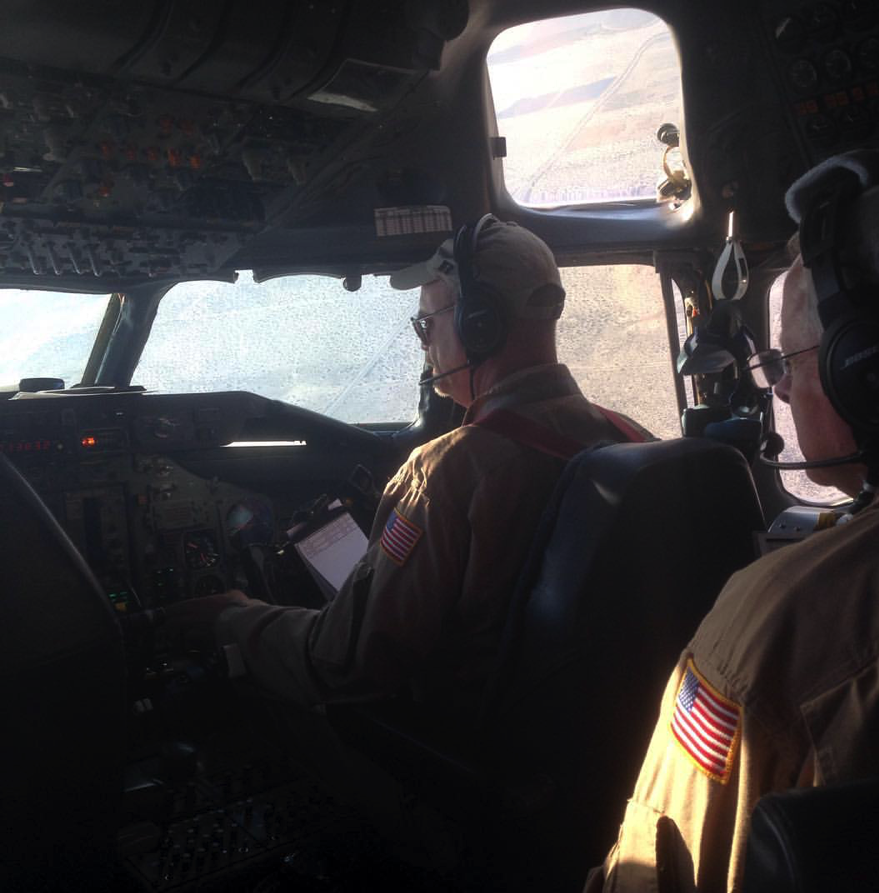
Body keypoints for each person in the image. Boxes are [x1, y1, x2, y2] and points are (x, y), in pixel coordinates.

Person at [166, 216, 650, 715]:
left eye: (427, 323)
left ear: (478, 323)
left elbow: (348, 664)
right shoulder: (634, 442)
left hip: (476, 751)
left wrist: (235, 618)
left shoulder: (448, 473)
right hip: (604, 733)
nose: (423, 343)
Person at [589, 150, 879, 893]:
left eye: (793, 361)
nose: (784, 390)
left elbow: (654, 881)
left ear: (869, 367)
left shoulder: (776, 633)